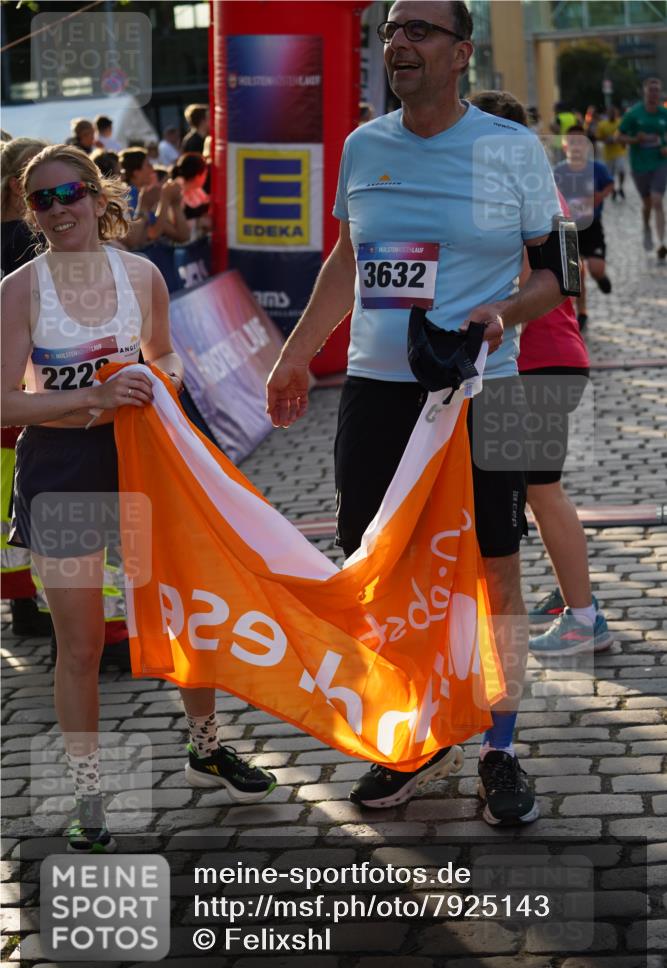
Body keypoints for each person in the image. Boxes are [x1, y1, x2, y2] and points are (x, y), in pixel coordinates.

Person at [266, 1, 564, 825]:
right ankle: (418, 735)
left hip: (482, 388)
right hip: (378, 390)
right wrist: (295, 354)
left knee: (495, 574)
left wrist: (503, 310)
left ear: (461, 53)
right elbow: (346, 258)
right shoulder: (365, 145)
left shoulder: (509, 149)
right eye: (392, 28)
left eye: (418, 31)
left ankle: (498, 748)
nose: (398, 42)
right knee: (380, 569)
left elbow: (552, 274)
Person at [0, 145, 277, 852]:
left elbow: (167, 357)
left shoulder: (142, 273)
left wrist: (157, 378)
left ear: (97, 196)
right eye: (42, 201)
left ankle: (207, 744)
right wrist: (90, 393)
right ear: (29, 211)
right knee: (83, 645)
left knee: (183, 613)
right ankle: (90, 794)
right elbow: (4, 399)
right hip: (63, 468)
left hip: (146, 458)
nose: (59, 210)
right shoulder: (21, 289)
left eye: (69, 194)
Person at [471, 91, 611, 657]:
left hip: (534, 361)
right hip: (552, 358)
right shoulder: (537, 189)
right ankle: (572, 596)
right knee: (538, 489)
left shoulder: (512, 191)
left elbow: (528, 276)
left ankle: (584, 618)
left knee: (540, 489)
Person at [1, 138, 50, 638]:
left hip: (13, 397)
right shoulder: (28, 244)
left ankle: (24, 608)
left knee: (7, 510)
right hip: (29, 397)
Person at [554, 125, 614, 332]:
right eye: (572, 142)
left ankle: (601, 278)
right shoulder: (558, 171)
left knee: (596, 268)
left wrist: (600, 195)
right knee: (576, 273)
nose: (576, 146)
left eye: (580, 142)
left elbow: (609, 184)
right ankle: (583, 313)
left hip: (592, 226)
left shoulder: (597, 168)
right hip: (569, 228)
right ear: (564, 146)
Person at [618, 76, 667, 260]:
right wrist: (634, 140)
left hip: (660, 163)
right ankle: (646, 227)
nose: (654, 94)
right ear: (645, 92)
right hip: (639, 165)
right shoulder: (633, 114)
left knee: (657, 200)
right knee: (647, 203)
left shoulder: (664, 114)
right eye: (651, 90)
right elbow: (618, 137)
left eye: (657, 90)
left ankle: (662, 243)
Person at [172, 152, 212, 239]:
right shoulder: (175, 190)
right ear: (198, 175)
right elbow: (173, 223)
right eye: (205, 173)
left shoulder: (196, 189)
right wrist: (198, 222)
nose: (206, 177)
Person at [597, 107, 627, 200]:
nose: (612, 115)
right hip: (608, 153)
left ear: (616, 114)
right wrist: (606, 140)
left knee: (621, 170)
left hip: (619, 151)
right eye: (610, 113)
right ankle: (613, 190)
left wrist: (623, 141)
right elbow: (598, 136)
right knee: (610, 174)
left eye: (613, 113)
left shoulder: (621, 123)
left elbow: (626, 134)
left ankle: (621, 187)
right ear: (607, 114)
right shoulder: (602, 124)